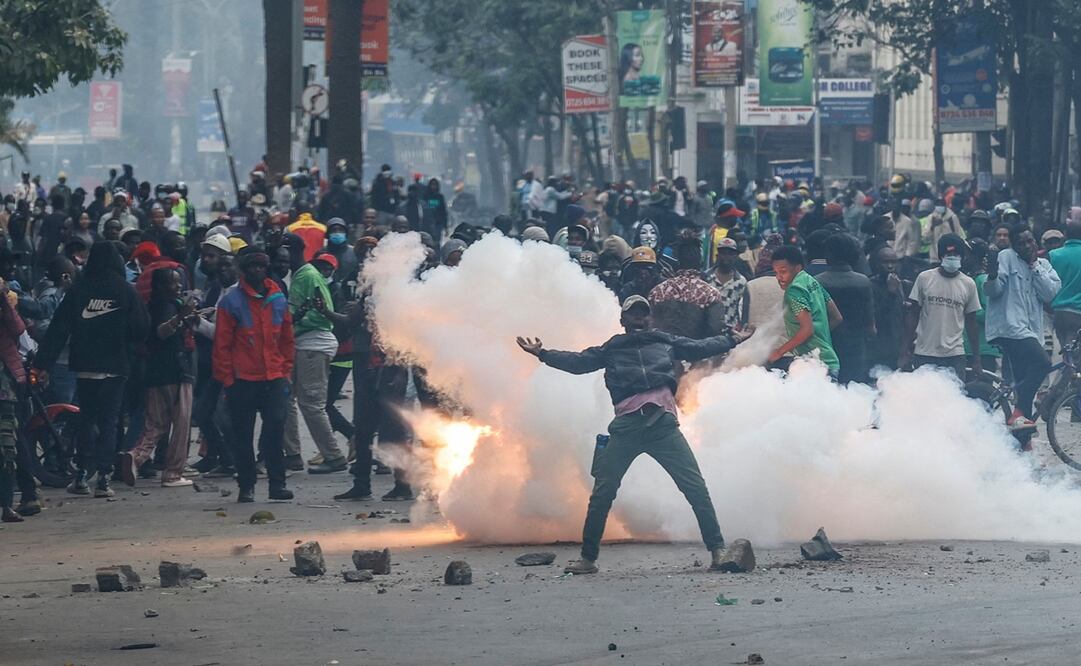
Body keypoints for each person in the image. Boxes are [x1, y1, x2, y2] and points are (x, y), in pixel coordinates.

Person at [516, 295, 752, 574]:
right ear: (623, 320)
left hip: (663, 426)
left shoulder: (664, 341)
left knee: (695, 488)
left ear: (649, 319)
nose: (639, 318)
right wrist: (543, 354)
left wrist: (732, 339)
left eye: (643, 314)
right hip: (626, 428)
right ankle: (587, 559)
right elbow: (578, 362)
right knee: (603, 494)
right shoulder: (612, 348)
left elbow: (699, 347)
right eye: (633, 314)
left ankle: (717, 551)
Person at [33, 242, 149, 498]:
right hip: (116, 368)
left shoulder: (79, 289)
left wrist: (43, 364)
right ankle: (104, 479)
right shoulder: (126, 291)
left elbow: (58, 330)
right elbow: (141, 328)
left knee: (87, 420)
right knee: (109, 421)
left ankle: (83, 475)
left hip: (85, 367)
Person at [213, 247, 295, 502]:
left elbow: (286, 338)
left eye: (261, 267)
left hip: (273, 376)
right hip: (243, 380)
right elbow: (222, 344)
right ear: (244, 270)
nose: (257, 271)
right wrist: (227, 379)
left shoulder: (278, 299)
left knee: (274, 432)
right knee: (242, 437)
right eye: (252, 267)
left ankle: (277, 485)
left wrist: (286, 370)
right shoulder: (231, 302)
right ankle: (246, 486)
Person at [118, 268, 196, 488]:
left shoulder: (149, 306)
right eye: (174, 283)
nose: (178, 287)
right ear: (161, 286)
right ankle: (173, 473)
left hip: (154, 372)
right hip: (176, 371)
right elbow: (162, 332)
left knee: (155, 422)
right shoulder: (168, 307)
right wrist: (181, 317)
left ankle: (136, 455)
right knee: (181, 423)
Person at [985, 225, 1061, 430]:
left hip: (1031, 331)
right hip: (1010, 328)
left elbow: (1050, 294)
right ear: (1013, 245)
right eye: (1021, 243)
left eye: (1030, 241)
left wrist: (1034, 266)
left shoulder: (1044, 265)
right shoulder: (1005, 257)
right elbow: (993, 291)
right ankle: (1018, 411)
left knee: (1023, 384)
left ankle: (1022, 444)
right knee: (1043, 363)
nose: (1027, 246)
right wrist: (992, 276)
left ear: (1035, 242)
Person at [283, 252, 349, 474]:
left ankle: (334, 456)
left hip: (314, 346)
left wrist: (297, 318)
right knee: (287, 399)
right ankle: (292, 454)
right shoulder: (307, 277)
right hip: (305, 345)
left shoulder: (309, 278)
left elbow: (325, 318)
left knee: (312, 404)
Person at [901, 234, 982, 380]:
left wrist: (976, 358)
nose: (952, 257)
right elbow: (913, 315)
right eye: (948, 254)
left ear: (962, 257)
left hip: (955, 355)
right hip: (924, 353)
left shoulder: (969, 284)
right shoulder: (924, 278)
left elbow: (971, 323)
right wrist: (905, 349)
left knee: (953, 399)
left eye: (956, 254)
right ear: (940, 256)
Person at [768, 245, 843, 374]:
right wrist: (819, 337)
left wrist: (779, 352)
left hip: (815, 365)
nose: (779, 278)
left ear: (797, 268)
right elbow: (837, 318)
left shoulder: (795, 290)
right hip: (828, 359)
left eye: (783, 271)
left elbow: (807, 330)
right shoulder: (811, 282)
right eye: (776, 272)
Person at [815, 234, 875, 384]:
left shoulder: (817, 282)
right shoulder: (863, 282)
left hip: (826, 346)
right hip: (856, 346)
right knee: (854, 389)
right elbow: (871, 326)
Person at [867, 247, 907, 371]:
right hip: (879, 346)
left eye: (893, 262)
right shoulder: (870, 285)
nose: (890, 266)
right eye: (886, 262)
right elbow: (875, 316)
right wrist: (891, 294)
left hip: (898, 342)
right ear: (878, 264)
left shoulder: (902, 284)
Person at [1049, 218, 1081, 349]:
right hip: (1077, 311)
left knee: (1066, 351)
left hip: (1058, 311)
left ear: (1065, 235)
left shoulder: (1053, 255)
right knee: (1074, 357)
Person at [705, 238, 748, 331]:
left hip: (730, 332)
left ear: (736, 257)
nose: (726, 257)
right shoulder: (705, 278)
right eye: (723, 253)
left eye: (730, 254)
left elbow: (743, 310)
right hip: (706, 331)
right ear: (717, 255)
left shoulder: (741, 282)